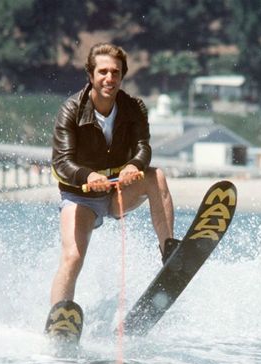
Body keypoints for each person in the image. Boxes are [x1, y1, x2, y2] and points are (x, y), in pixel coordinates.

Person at [45, 43, 179, 340]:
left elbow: (143, 147)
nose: (109, 78)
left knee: (155, 176)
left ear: (122, 75)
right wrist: (88, 175)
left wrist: (134, 165)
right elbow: (61, 162)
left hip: (118, 191)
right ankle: (59, 318)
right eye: (103, 72)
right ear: (91, 75)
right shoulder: (71, 110)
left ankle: (169, 252)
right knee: (72, 256)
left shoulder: (133, 107)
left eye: (115, 72)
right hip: (80, 196)